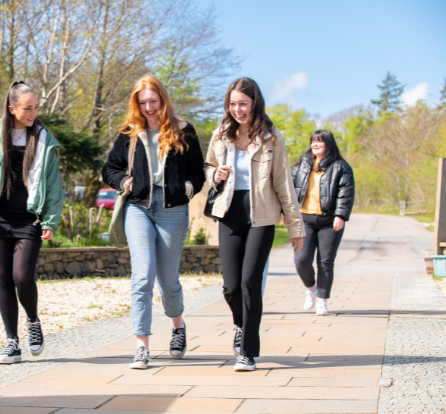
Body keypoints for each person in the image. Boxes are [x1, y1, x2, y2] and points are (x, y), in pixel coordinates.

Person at [102, 75, 205, 370]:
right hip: (138, 208)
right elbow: (109, 169)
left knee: (168, 279)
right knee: (142, 276)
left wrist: (186, 188)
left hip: (172, 209)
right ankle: (142, 347)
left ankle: (177, 326)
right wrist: (124, 181)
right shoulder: (129, 132)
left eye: (153, 101)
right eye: (142, 102)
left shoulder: (184, 130)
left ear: (163, 99)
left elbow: (198, 173)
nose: (148, 107)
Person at [204, 77, 305, 371]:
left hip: (262, 216)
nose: (238, 109)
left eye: (243, 104)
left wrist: (296, 225)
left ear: (255, 103)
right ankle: (241, 323)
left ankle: (247, 351)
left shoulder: (272, 138)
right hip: (229, 211)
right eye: (233, 104)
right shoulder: (221, 135)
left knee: (250, 282)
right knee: (231, 287)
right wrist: (215, 175)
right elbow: (208, 166)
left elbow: (284, 183)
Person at [0, 81, 64, 364]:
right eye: (27, 108)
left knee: (23, 276)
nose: (33, 113)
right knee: (4, 278)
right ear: (12, 108)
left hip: (30, 217)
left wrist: (51, 220)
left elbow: (54, 186)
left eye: (35, 107)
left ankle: (33, 321)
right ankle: (11, 342)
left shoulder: (43, 138)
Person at [291, 130, 355, 316]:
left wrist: (341, 216)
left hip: (329, 221)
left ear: (328, 144)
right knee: (301, 259)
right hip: (304, 220)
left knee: (325, 262)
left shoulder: (341, 166)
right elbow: (290, 188)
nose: (315, 145)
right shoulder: (302, 164)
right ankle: (311, 289)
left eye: (319, 141)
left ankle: (322, 301)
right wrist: (286, 212)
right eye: (313, 141)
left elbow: (346, 192)